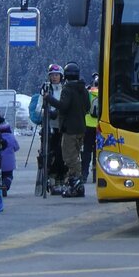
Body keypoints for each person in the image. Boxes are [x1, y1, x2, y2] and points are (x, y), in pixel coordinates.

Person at [49, 62, 91, 198]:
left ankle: (76, 185)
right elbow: (88, 106)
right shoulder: (83, 89)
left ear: (65, 75)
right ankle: (75, 183)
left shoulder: (67, 89)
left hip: (70, 129)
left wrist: (49, 99)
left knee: (70, 158)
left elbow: (64, 106)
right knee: (76, 155)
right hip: (81, 127)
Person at [31, 64, 65, 192]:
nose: (54, 77)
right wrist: (47, 111)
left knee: (61, 153)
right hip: (48, 125)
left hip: (61, 126)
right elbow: (38, 107)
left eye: (56, 75)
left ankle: (61, 177)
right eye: (52, 75)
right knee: (49, 153)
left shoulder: (64, 88)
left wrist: (58, 112)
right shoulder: (46, 89)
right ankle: (50, 178)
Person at [83, 73, 100, 184]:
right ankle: (96, 173)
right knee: (97, 152)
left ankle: (84, 173)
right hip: (99, 126)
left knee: (87, 151)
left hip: (88, 124)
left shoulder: (88, 93)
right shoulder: (104, 94)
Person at [0, 118, 20, 195]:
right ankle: (5, 185)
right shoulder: (11, 137)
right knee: (9, 176)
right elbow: (17, 147)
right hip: (9, 163)